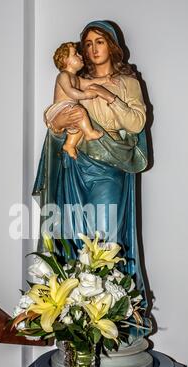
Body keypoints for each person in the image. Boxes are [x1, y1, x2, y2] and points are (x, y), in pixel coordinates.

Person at [33, 20, 148, 299]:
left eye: (99, 41)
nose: (93, 48)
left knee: (106, 234)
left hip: (110, 163)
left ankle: (109, 303)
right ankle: (78, 309)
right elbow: (56, 123)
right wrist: (59, 123)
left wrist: (108, 95)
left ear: (111, 45)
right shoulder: (74, 81)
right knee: (72, 233)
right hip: (75, 163)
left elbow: (136, 123)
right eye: (87, 44)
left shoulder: (128, 84)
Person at [45, 41, 115, 158]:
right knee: (81, 113)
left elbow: (89, 82)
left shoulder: (76, 78)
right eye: (75, 54)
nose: (80, 56)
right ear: (65, 60)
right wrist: (86, 95)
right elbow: (70, 92)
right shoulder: (63, 76)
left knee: (79, 125)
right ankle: (90, 133)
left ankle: (69, 144)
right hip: (60, 108)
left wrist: (105, 79)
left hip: (70, 107)